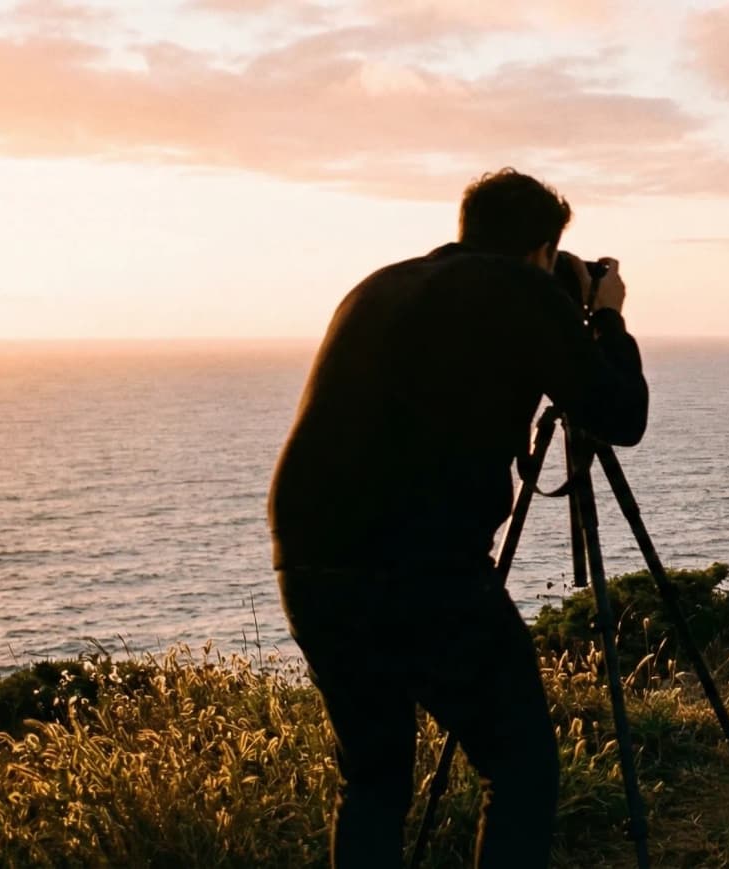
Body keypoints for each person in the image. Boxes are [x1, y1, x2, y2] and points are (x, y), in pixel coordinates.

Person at [268, 168, 647, 868]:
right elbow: (622, 415)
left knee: (374, 781)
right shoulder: (524, 292)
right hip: (423, 568)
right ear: (540, 250)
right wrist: (607, 316)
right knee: (520, 766)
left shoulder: (379, 285)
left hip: (308, 557)